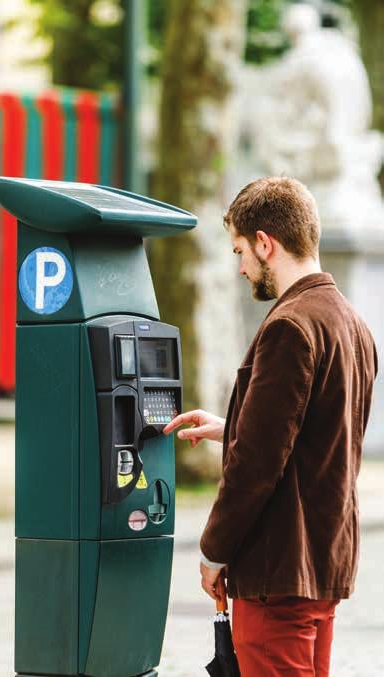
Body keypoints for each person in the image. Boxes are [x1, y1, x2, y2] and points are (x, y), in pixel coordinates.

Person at [164, 177, 378, 677]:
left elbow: (256, 465)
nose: (240, 267)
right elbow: (323, 434)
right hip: (321, 566)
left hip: (276, 572)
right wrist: (233, 423)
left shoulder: (290, 325)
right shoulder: (352, 325)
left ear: (266, 242)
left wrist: (214, 552)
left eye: (240, 250)